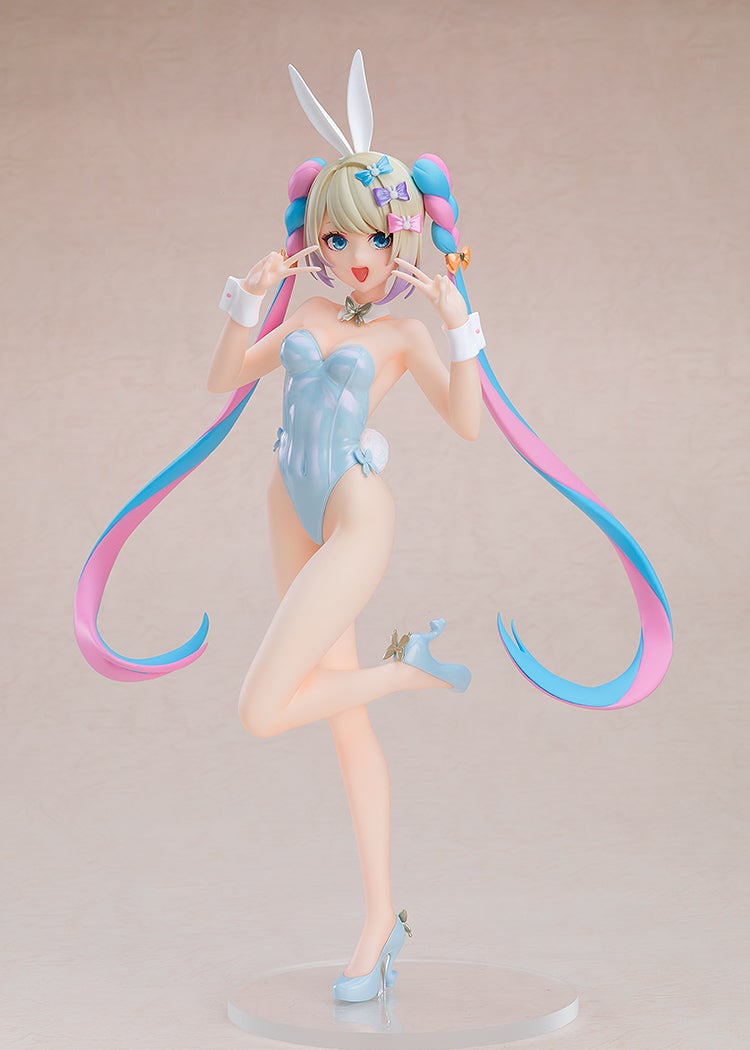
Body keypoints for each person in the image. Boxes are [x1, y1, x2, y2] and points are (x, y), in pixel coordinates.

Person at [74, 52, 673, 1003]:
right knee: (344, 724)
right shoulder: (308, 309)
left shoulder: (403, 334)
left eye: (379, 238)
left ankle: (406, 669)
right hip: (288, 506)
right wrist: (246, 296)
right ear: (320, 241)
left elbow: (468, 423)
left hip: (354, 517)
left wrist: (461, 325)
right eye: (342, 237)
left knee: (263, 708)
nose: (361, 256)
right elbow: (225, 378)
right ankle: (380, 918)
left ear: (404, 242)